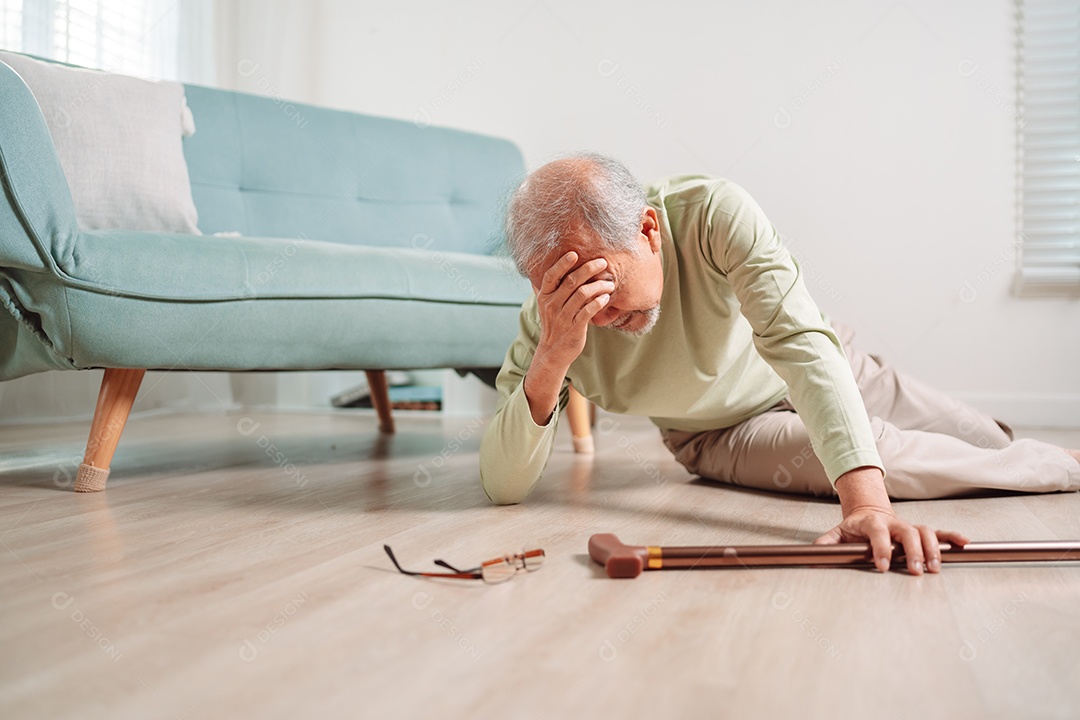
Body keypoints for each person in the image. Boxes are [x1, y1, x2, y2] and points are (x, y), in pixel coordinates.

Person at [478, 153, 1080, 576]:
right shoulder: (552, 322)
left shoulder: (713, 211)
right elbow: (503, 485)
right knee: (889, 457)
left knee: (983, 436)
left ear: (648, 230)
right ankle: (1063, 468)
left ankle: (1041, 458)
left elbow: (799, 343)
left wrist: (866, 504)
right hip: (720, 431)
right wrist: (554, 354)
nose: (597, 314)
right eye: (562, 288)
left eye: (601, 281)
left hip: (829, 362)